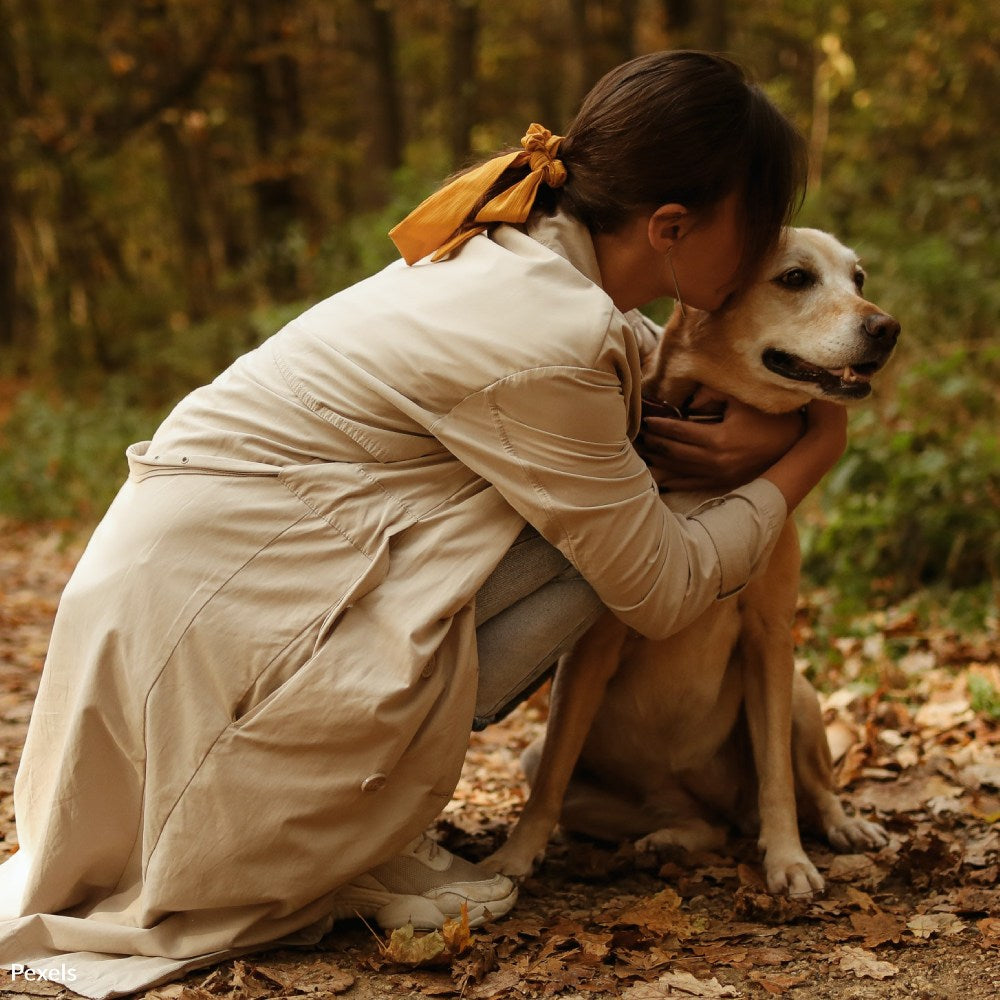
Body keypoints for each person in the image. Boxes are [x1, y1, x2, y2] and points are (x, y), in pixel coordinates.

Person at [0, 50, 843, 998]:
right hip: (218, 647)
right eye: (762, 227)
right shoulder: (551, 337)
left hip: (178, 609)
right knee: (630, 529)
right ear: (674, 228)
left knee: (612, 497)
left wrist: (765, 418)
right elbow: (660, 590)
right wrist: (817, 444)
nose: (769, 246)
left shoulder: (517, 255)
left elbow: (644, 383)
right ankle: (302, 821)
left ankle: (340, 803)